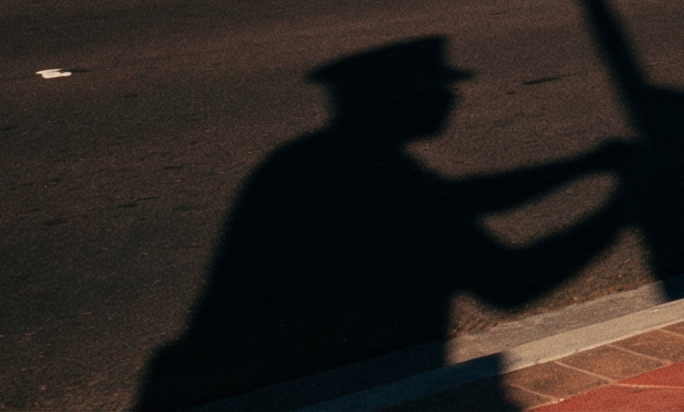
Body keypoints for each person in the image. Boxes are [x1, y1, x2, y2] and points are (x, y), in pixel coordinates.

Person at [136, 38, 631, 410]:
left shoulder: (316, 159)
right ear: (390, 98)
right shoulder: (371, 174)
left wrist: (582, 166)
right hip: (334, 388)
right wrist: (621, 211)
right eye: (435, 87)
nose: (448, 99)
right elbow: (508, 283)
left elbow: (464, 199)